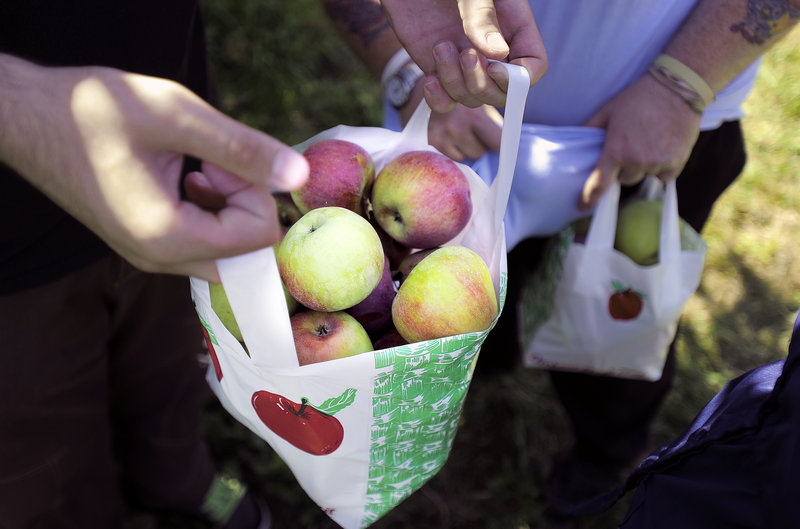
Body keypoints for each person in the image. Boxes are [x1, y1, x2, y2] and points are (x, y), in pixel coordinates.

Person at [0, 2, 541, 528]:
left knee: (166, 362)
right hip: (14, 246)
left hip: (173, 150)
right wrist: (20, 108)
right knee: (34, 434)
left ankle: (179, 477)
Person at [338, 0, 800, 523]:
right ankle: (483, 369)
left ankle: (607, 450)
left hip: (650, 123)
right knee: (450, 298)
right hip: (459, 127)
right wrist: (401, 66)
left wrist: (682, 84)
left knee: (612, 315)